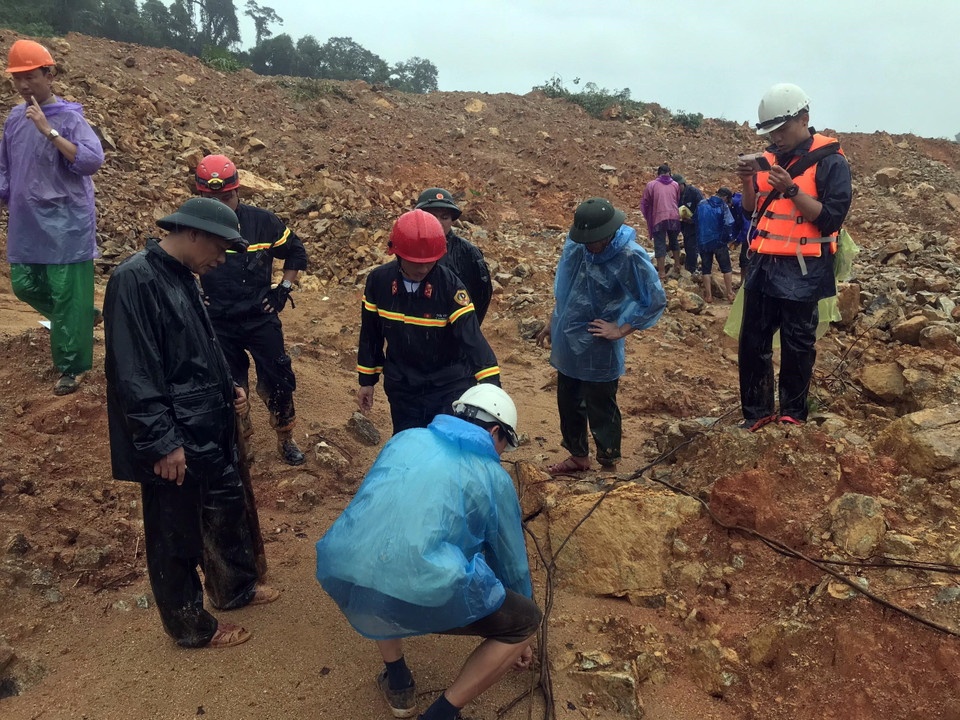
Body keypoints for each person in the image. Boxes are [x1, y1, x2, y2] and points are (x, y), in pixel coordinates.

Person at [104, 198, 280, 649]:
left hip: (207, 423)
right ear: (195, 233)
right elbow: (134, 371)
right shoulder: (135, 279)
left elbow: (200, 344)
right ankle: (190, 625)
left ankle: (233, 589)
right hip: (175, 435)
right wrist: (161, 442)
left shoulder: (185, 276)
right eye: (221, 248)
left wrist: (228, 386)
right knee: (175, 531)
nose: (222, 260)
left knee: (225, 505)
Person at [316, 385, 538, 720]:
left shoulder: (406, 438)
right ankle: (442, 715)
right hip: (415, 583)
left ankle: (399, 682)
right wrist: (520, 623)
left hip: (349, 564)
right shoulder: (494, 476)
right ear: (496, 432)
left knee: (386, 556)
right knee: (524, 622)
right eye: (505, 444)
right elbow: (511, 562)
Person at [736, 83, 851, 429]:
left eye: (782, 130)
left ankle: (792, 414)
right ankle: (756, 414)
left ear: (804, 119)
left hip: (805, 267)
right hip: (764, 262)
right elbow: (750, 211)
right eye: (771, 132)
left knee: (797, 344)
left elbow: (830, 217)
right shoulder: (768, 160)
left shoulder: (831, 161)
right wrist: (746, 182)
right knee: (752, 342)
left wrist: (791, 189)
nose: (777, 138)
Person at [0, 39, 104, 395]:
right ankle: (79, 316)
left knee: (65, 293)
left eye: (31, 76)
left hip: (66, 225)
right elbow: (6, 169)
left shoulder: (70, 119)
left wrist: (50, 131)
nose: (24, 85)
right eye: (18, 78)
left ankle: (71, 368)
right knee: (24, 286)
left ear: (50, 74)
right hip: (27, 224)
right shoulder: (14, 119)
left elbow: (91, 161)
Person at [536, 198, 666, 474]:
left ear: (609, 232)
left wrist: (620, 329)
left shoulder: (630, 255)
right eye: (585, 239)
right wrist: (553, 322)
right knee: (568, 398)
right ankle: (577, 456)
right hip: (568, 334)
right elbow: (565, 288)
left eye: (594, 239)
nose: (589, 244)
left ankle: (608, 460)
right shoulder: (578, 247)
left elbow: (654, 299)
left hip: (600, 342)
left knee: (601, 403)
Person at [195, 154, 309, 465]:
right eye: (211, 198)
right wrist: (194, 294)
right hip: (217, 320)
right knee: (230, 386)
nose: (220, 204)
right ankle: (241, 443)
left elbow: (296, 252)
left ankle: (286, 437)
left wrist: (282, 290)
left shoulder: (262, 222)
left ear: (238, 191)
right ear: (200, 196)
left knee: (278, 378)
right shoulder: (195, 226)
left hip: (259, 317)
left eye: (226, 197)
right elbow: (175, 262)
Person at [357, 209, 501, 434]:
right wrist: (367, 381)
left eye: (429, 262)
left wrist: (492, 388)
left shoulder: (451, 287)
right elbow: (371, 335)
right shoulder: (379, 282)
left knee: (444, 447)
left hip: (447, 386)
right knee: (409, 444)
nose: (423, 269)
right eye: (416, 262)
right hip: (403, 386)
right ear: (397, 254)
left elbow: (472, 339)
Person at [415, 187, 493, 324]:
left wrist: (468, 329)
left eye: (444, 217)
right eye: (432, 216)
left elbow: (482, 295)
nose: (438, 222)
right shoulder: (408, 248)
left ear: (452, 220)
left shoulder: (468, 253)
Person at [640, 164, 681, 279]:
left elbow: (646, 201)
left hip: (659, 217)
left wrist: (649, 214)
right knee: (674, 240)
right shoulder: (675, 184)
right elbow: (676, 199)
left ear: (658, 174)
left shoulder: (651, 185)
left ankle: (662, 272)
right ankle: (677, 265)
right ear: (669, 173)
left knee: (659, 243)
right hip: (673, 216)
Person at [695, 188, 736, 303]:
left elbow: (695, 220)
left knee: (706, 269)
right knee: (726, 268)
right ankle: (730, 294)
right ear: (725, 197)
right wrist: (727, 238)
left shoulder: (702, 203)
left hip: (704, 241)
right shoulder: (723, 206)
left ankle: (708, 296)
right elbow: (729, 223)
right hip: (719, 242)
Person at [673, 174, 704, 275]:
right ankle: (690, 266)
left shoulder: (693, 192)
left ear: (683, 184)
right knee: (688, 245)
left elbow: (703, 207)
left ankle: (692, 268)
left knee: (692, 246)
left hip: (696, 223)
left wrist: (694, 218)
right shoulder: (675, 195)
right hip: (684, 223)